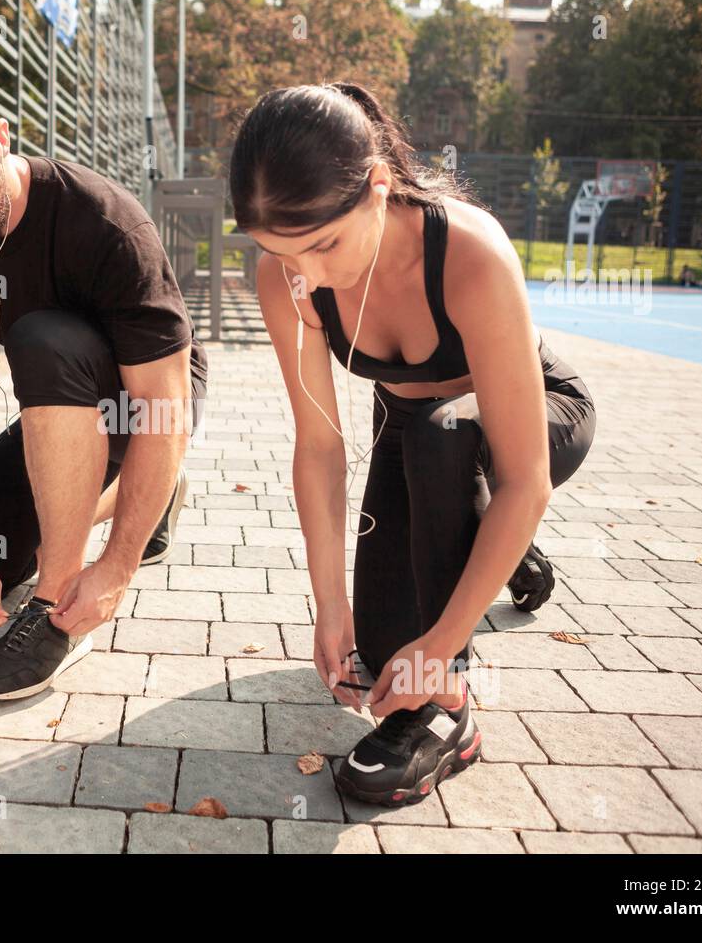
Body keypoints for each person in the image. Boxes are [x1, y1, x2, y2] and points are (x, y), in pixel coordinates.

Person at [228, 81, 597, 806]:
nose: (310, 275)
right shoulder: (289, 278)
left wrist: (442, 649)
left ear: (377, 187)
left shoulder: (469, 253)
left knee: (445, 439)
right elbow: (320, 447)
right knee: (380, 652)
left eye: (325, 245)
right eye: (283, 254)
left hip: (532, 418)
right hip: (413, 429)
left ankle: (453, 715)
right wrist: (328, 606)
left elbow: (527, 476)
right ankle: (483, 535)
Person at [0, 60, 208, 702]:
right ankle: (156, 496)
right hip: (60, 409)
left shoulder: (105, 224)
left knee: (41, 336)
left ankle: (56, 612)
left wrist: (114, 565)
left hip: (147, 403)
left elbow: (163, 410)